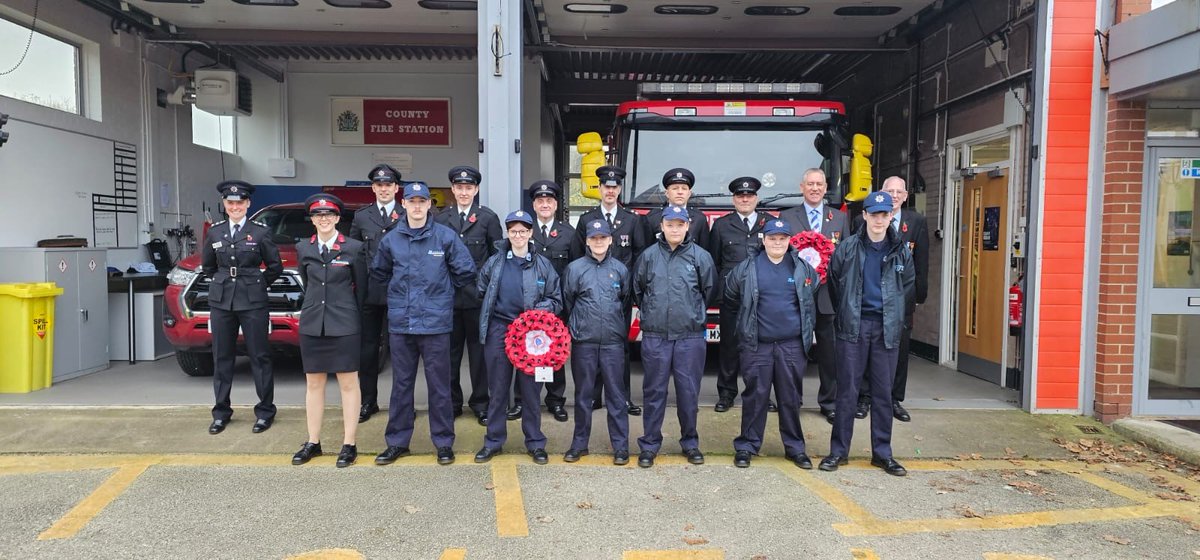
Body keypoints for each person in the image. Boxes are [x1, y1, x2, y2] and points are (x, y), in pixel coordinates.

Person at [371, 182, 476, 467]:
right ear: (403, 204)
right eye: (412, 201)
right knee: (401, 386)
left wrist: (443, 294)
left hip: (435, 324)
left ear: (430, 205)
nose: (417, 207)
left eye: (422, 201)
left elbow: (465, 271)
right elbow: (379, 273)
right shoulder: (391, 240)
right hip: (402, 325)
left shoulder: (445, 237)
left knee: (439, 387)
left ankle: (443, 443)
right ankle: (397, 442)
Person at [819, 191, 915, 477]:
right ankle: (838, 452)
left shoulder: (901, 250)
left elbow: (907, 289)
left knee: (883, 394)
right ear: (865, 215)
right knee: (847, 392)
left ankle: (882, 454)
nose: (879, 220)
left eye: (884, 215)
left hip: (885, 329)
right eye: (874, 214)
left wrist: (894, 317)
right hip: (854, 327)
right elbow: (835, 285)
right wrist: (849, 314)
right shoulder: (847, 248)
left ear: (890, 217)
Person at [724, 218, 820, 469]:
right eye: (772, 239)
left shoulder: (802, 268)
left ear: (789, 241)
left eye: (782, 239)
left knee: (790, 398)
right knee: (755, 396)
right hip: (757, 345)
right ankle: (747, 445)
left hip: (791, 345)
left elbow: (811, 296)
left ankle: (795, 448)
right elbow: (732, 297)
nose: (777, 243)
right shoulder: (747, 268)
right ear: (763, 240)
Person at [474, 210, 563, 465]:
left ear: (530, 233)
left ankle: (535, 442)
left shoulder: (543, 264)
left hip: (532, 334)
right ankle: (493, 441)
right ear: (507, 233)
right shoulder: (495, 261)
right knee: (498, 389)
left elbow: (557, 299)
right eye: (513, 231)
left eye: (523, 231)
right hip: (500, 331)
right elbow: (481, 288)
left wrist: (537, 313)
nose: (518, 235)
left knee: (531, 391)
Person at [632, 205, 716, 468]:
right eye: (671, 224)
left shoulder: (700, 257)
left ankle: (690, 442)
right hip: (656, 336)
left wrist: (691, 312)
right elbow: (638, 290)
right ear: (662, 226)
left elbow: (710, 290)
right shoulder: (648, 256)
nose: (675, 229)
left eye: (680, 224)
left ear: (688, 226)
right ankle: (649, 444)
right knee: (654, 392)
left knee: (688, 393)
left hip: (689, 337)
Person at [291, 194, 368, 468]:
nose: (323, 220)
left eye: (329, 215)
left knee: (349, 383)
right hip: (313, 323)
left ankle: (349, 443)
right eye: (318, 216)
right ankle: (313, 441)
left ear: (337, 218)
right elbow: (306, 281)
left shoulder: (354, 248)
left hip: (344, 324)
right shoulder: (303, 248)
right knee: (314, 384)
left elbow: (362, 289)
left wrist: (352, 317)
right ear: (312, 220)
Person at [201, 180, 283, 435]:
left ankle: (265, 411)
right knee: (222, 357)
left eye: (239, 202)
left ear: (248, 204)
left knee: (259, 356)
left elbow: (274, 267)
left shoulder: (259, 232)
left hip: (253, 301)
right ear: (225, 205)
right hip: (222, 301)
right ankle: (221, 412)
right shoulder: (215, 232)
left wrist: (256, 284)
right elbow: (208, 267)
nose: (235, 207)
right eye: (230, 203)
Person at [778, 168, 850, 424]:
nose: (815, 188)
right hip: (795, 295)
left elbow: (846, 258)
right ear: (802, 187)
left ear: (826, 186)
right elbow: (781, 256)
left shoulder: (840, 218)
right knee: (794, 351)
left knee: (829, 353)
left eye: (819, 184)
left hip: (828, 296)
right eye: (810, 184)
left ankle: (829, 402)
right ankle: (791, 400)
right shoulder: (787, 216)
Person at [433, 165, 503, 427]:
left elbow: (497, 258)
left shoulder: (487, 218)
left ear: (476, 189)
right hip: (448, 298)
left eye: (469, 188)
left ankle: (481, 403)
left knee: (479, 355)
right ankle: (452, 403)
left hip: (477, 298)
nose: (464, 192)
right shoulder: (440, 219)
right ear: (452, 189)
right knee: (448, 355)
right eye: (459, 187)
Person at [855, 177, 929, 423]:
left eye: (899, 192)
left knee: (899, 350)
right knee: (867, 350)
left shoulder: (916, 221)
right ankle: (865, 397)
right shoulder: (861, 220)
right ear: (881, 193)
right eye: (889, 191)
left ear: (906, 196)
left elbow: (921, 262)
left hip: (901, 300)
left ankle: (894, 398)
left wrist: (919, 295)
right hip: (871, 300)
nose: (894, 195)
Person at [574, 165, 645, 417]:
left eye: (615, 187)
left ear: (619, 189)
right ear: (600, 188)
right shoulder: (586, 219)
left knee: (620, 348)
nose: (610, 191)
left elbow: (639, 256)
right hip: (591, 295)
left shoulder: (632, 220)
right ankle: (593, 397)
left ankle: (622, 397)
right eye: (606, 186)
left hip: (619, 296)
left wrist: (632, 292)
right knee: (592, 346)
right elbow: (577, 257)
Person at [562, 219, 631, 465]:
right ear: (587, 241)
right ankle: (579, 444)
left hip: (613, 344)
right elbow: (568, 302)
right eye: (594, 238)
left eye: (603, 238)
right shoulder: (575, 269)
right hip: (584, 343)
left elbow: (624, 303)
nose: (598, 242)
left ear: (610, 240)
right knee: (583, 397)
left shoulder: (620, 270)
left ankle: (621, 447)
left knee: (616, 396)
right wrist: (578, 328)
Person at [708, 176, 770, 413]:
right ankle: (726, 392)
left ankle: (761, 392)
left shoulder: (769, 223)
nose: (745, 199)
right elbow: (714, 262)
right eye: (740, 196)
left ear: (756, 198)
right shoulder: (722, 225)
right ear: (734, 199)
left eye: (750, 195)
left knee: (761, 347)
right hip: (731, 297)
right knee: (729, 346)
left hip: (762, 296)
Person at [522, 180, 582, 424]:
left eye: (549, 201)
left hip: (558, 307)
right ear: (534, 204)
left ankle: (556, 400)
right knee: (524, 351)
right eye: (540, 201)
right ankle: (524, 400)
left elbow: (576, 268)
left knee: (555, 352)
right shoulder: (524, 231)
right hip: (527, 307)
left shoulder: (568, 233)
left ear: (556, 205)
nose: (544, 204)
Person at [348, 164, 403, 423]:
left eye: (388, 185)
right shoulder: (361, 217)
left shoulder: (407, 214)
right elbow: (354, 255)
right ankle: (368, 401)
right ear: (373, 188)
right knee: (367, 350)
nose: (384, 189)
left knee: (403, 351)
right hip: (369, 292)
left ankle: (402, 404)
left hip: (401, 292)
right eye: (379, 185)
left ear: (396, 188)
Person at [644, 168, 710, 248]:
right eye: (675, 188)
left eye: (684, 188)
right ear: (667, 193)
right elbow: (646, 251)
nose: (680, 192)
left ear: (689, 194)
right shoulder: (652, 218)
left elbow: (704, 251)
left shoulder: (700, 219)